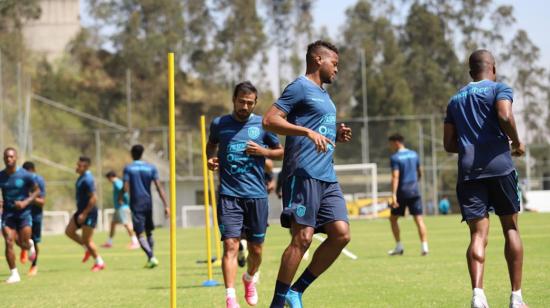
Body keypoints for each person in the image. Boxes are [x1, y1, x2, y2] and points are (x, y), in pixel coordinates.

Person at [263, 40, 353, 308]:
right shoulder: (299, 87)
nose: (336, 69)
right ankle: (278, 303)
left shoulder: (324, 95)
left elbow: (315, 127)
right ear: (317, 60)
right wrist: (306, 132)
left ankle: (296, 291)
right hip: (303, 174)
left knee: (341, 234)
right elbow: (270, 120)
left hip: (327, 176)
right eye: (334, 64)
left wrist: (334, 134)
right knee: (302, 239)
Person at [443, 49, 527, 308]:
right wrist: (516, 140)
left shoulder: (455, 100)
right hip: (500, 167)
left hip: (469, 173)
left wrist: (471, 146)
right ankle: (516, 298)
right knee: (510, 228)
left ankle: (478, 296)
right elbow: (504, 115)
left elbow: (449, 144)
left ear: (470, 72)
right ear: (493, 68)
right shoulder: (499, 88)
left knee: (478, 236)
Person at [207, 81, 284, 308]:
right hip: (229, 195)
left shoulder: (263, 124)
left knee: (256, 249)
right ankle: (230, 297)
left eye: (250, 103)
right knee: (230, 245)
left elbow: (282, 152)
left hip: (256, 196)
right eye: (242, 101)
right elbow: (211, 146)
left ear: (255, 103)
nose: (245, 106)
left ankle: (250, 278)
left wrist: (263, 152)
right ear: (234, 99)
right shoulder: (219, 124)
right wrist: (210, 159)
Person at [123, 144, 169, 268]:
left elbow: (126, 187)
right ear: (142, 154)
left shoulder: (129, 168)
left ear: (132, 154)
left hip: (136, 203)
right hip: (148, 203)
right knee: (149, 232)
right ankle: (151, 258)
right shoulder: (151, 168)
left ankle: (151, 256)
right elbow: (159, 187)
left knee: (139, 233)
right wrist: (166, 205)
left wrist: (122, 197)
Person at [0, 148, 40, 283]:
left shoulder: (25, 175)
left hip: (24, 213)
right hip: (8, 214)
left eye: (11, 157)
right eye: (6, 157)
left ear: (16, 158)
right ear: (3, 158)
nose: (8, 159)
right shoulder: (1, 176)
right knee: (8, 241)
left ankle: (29, 245)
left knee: (23, 243)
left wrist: (25, 202)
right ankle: (14, 274)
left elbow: (36, 191)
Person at [387, 134, 429, 256]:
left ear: (396, 142)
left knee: (393, 219)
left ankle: (399, 246)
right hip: (414, 191)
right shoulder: (414, 154)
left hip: (401, 192)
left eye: (390, 143)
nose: (389, 146)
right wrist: (416, 183)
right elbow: (420, 171)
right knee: (419, 219)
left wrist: (393, 195)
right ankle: (424, 247)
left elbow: (395, 176)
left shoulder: (395, 157)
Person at [65, 156, 105, 272]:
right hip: (81, 211)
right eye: (77, 164)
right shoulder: (81, 177)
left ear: (86, 166)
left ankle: (99, 262)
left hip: (89, 213)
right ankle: (86, 248)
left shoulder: (88, 179)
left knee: (87, 240)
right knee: (69, 231)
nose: (76, 167)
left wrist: (84, 214)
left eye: (79, 165)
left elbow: (93, 198)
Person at [102, 171, 139, 249]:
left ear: (111, 177)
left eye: (108, 179)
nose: (108, 181)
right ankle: (109, 242)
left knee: (126, 224)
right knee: (113, 224)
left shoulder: (117, 183)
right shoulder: (118, 183)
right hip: (118, 208)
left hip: (122, 207)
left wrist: (122, 200)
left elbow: (124, 190)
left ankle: (135, 242)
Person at [21, 161, 46, 276]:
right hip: (23, 214)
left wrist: (30, 198)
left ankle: (34, 266)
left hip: (35, 215)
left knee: (34, 242)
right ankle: (24, 248)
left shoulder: (39, 181)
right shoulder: (23, 181)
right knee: (16, 236)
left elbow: (42, 202)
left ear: (32, 170)